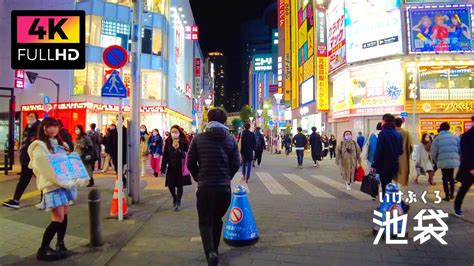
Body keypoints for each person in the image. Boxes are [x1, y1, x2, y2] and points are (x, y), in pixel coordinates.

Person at [187, 108, 240, 266]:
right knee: (217, 219)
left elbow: (190, 162)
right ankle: (215, 250)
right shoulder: (230, 140)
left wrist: (199, 177)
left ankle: (210, 252)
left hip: (205, 188)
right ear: (224, 121)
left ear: (209, 119)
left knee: (205, 221)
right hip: (223, 189)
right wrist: (227, 177)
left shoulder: (198, 138)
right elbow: (237, 163)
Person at [28, 118, 75, 261]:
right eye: (50, 127)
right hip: (52, 185)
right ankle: (43, 249)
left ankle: (60, 244)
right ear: (43, 128)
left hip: (65, 184)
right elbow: (44, 168)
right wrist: (62, 181)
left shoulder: (61, 144)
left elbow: (69, 162)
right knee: (58, 217)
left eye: (56, 126)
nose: (53, 129)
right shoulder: (39, 146)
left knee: (64, 215)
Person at [3, 112, 41, 209]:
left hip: (33, 159)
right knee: (24, 180)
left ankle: (45, 200)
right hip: (26, 158)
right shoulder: (28, 127)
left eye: (32, 116)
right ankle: (16, 200)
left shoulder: (38, 128)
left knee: (41, 179)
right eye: (28, 116)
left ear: (36, 118)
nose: (29, 118)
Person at [161, 125, 192, 211]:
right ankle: (174, 197)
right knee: (170, 185)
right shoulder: (168, 141)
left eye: (176, 132)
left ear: (179, 133)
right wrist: (163, 166)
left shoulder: (185, 141)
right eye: (172, 132)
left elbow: (187, 155)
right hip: (171, 166)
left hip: (180, 166)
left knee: (179, 185)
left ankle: (178, 201)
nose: (174, 134)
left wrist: (178, 150)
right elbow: (165, 155)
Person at [371, 114, 403, 197]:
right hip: (394, 164)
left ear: (384, 121)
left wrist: (374, 164)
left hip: (384, 165)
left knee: (385, 185)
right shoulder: (398, 134)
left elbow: (379, 151)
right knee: (389, 183)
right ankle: (390, 203)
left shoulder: (383, 133)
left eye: (382, 121)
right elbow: (401, 151)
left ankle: (387, 205)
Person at [432, 122, 460, 201]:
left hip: (442, 160)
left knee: (444, 177)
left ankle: (447, 195)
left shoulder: (437, 138)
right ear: (448, 128)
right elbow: (460, 148)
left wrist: (436, 160)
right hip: (452, 160)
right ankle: (452, 194)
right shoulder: (455, 137)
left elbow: (433, 151)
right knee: (451, 177)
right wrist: (457, 157)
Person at [454, 116, 474, 217]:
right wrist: (471, 168)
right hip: (469, 168)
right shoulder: (467, 135)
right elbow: (465, 153)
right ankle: (457, 207)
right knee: (464, 189)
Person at [106, 122, 128, 186]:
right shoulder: (113, 131)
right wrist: (107, 151)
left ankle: (123, 181)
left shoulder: (126, 131)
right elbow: (109, 142)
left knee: (121, 167)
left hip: (123, 152)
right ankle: (123, 179)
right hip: (114, 152)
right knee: (116, 167)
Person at [394, 118, 413, 187]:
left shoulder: (391, 132)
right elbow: (410, 147)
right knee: (401, 174)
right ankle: (398, 189)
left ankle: (393, 190)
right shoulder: (406, 133)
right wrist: (407, 154)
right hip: (403, 157)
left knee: (393, 176)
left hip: (392, 157)